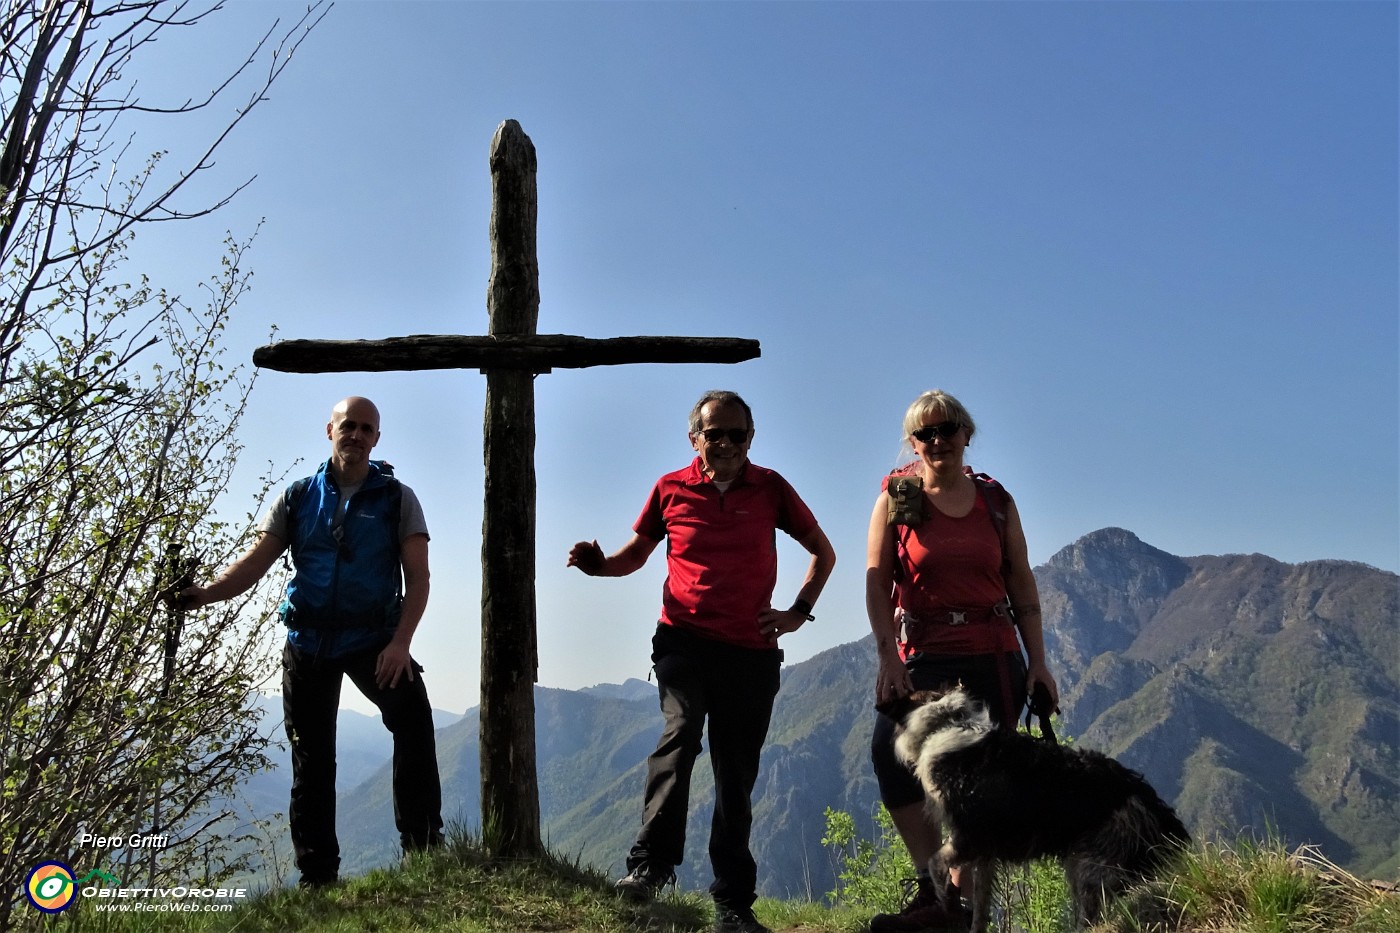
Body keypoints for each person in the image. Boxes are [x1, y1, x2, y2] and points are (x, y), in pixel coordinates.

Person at [568, 390, 836, 933]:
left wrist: (796, 613)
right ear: (695, 438)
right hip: (683, 641)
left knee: (735, 774)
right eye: (716, 434)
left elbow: (822, 551)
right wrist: (599, 567)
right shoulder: (670, 489)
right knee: (682, 732)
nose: (729, 444)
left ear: (751, 438)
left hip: (751, 652)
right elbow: (634, 555)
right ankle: (649, 869)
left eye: (739, 434)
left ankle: (732, 905)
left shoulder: (772, 489)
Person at [175, 396, 444, 888]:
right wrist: (204, 596)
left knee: (414, 725)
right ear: (330, 430)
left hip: (375, 640)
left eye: (366, 428)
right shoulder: (299, 496)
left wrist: (401, 643)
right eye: (349, 426)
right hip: (308, 642)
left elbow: (419, 578)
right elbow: (255, 564)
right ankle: (318, 877)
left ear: (377, 438)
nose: (357, 435)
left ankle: (424, 851)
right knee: (312, 758)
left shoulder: (397, 498)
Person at [865, 389, 1059, 933]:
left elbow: (1021, 580)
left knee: (979, 783)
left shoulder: (995, 501)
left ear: (966, 433)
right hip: (923, 655)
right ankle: (930, 885)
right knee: (891, 756)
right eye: (924, 433)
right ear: (912, 442)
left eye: (946, 428)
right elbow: (878, 582)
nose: (937, 441)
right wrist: (888, 659)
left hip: (994, 654)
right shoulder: (900, 496)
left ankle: (959, 906)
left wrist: (1038, 663)